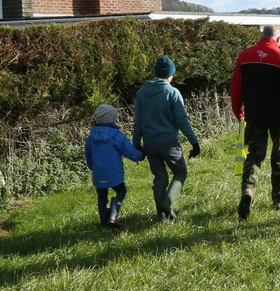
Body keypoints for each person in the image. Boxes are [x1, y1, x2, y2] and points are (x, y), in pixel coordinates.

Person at [230, 24, 280, 220]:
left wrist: (238, 111)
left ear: (262, 36)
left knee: (254, 156)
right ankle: (279, 199)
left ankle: (248, 191)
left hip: (254, 115)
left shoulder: (245, 56)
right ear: (279, 39)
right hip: (278, 117)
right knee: (279, 157)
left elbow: (236, 88)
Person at [133, 56, 200, 221]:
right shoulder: (172, 92)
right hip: (169, 143)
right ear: (170, 74)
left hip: (149, 144)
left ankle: (162, 216)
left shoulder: (141, 92)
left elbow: (138, 121)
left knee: (160, 178)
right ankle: (167, 204)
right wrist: (194, 142)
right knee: (180, 171)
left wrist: (136, 143)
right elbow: (182, 121)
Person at [85, 103, 144, 229]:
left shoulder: (91, 136)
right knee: (121, 191)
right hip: (114, 174)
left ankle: (103, 221)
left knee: (101, 197)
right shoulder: (116, 135)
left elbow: (88, 155)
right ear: (112, 118)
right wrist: (140, 155)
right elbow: (129, 151)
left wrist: (92, 167)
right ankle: (112, 216)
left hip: (98, 173)